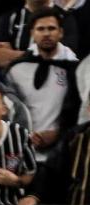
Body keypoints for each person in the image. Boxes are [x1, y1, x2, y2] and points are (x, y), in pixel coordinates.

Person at [5, 7, 80, 162]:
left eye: (51, 28)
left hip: (62, 153)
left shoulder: (75, 71)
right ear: (32, 33)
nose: (46, 33)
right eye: (41, 29)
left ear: (61, 32)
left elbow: (79, 113)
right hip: (21, 151)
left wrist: (59, 133)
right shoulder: (15, 69)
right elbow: (8, 109)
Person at [0, 0, 78, 68]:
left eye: (51, 28)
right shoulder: (10, 18)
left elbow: (64, 55)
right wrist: (40, 55)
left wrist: (15, 55)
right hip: (13, 82)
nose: (46, 33)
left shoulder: (65, 18)